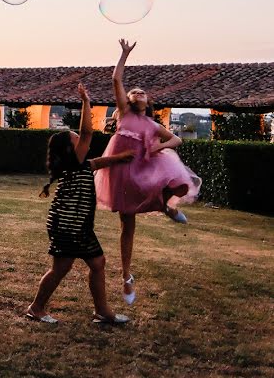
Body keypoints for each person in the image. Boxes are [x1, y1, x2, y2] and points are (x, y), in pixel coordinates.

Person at [95, 40, 202, 305]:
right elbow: (116, 79)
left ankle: (169, 207)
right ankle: (127, 278)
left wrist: (158, 147)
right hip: (120, 171)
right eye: (135, 91)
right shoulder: (123, 113)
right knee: (127, 226)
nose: (138, 92)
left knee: (178, 181)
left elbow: (176, 141)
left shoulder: (152, 124)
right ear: (129, 100)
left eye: (143, 91)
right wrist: (124, 54)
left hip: (141, 169)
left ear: (148, 100)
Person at [25, 84, 133, 324]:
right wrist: (86, 102)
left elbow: (97, 163)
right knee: (61, 268)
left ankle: (102, 312)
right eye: (76, 140)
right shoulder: (73, 162)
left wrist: (121, 158)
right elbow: (87, 133)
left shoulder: (79, 164)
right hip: (67, 224)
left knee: (97, 263)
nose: (81, 139)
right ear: (70, 149)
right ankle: (36, 308)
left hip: (78, 225)